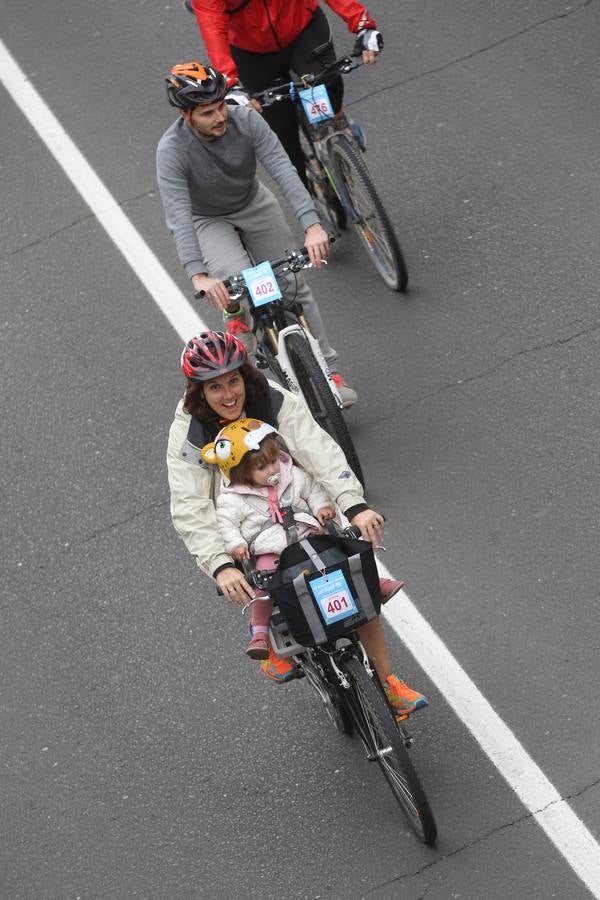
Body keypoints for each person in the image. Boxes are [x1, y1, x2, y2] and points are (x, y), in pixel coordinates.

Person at [166, 330, 427, 716]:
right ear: (198, 392)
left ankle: (389, 685)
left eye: (234, 380)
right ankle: (271, 641)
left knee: (352, 580)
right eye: (215, 387)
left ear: (245, 375)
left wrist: (352, 505)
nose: (229, 395)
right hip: (248, 527)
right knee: (265, 584)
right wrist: (221, 565)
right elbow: (190, 504)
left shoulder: (271, 398)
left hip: (299, 501)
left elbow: (316, 449)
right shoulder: (188, 433)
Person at [157, 60, 357, 407]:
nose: (220, 117)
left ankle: (330, 372)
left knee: (293, 283)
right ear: (186, 115)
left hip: (252, 201)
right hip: (207, 219)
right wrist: (199, 275)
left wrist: (312, 225)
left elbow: (281, 166)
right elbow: (178, 215)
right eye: (207, 113)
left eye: (221, 107)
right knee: (235, 278)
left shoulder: (246, 119)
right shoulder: (171, 151)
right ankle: (235, 313)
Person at [200, 417, 406, 660]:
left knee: (337, 555)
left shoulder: (293, 475)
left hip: (306, 536)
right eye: (262, 467)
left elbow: (313, 491)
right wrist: (237, 545)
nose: (273, 468)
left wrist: (321, 509)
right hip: (270, 549)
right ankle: (259, 632)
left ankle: (375, 584)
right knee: (265, 584)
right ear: (242, 474)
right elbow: (226, 524)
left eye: (274, 460)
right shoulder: (233, 499)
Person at [185, 0, 384, 184]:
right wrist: (229, 83)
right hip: (252, 51)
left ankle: (338, 120)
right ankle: (311, 201)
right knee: (283, 134)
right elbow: (212, 26)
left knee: (325, 83)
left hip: (302, 28)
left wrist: (362, 24)